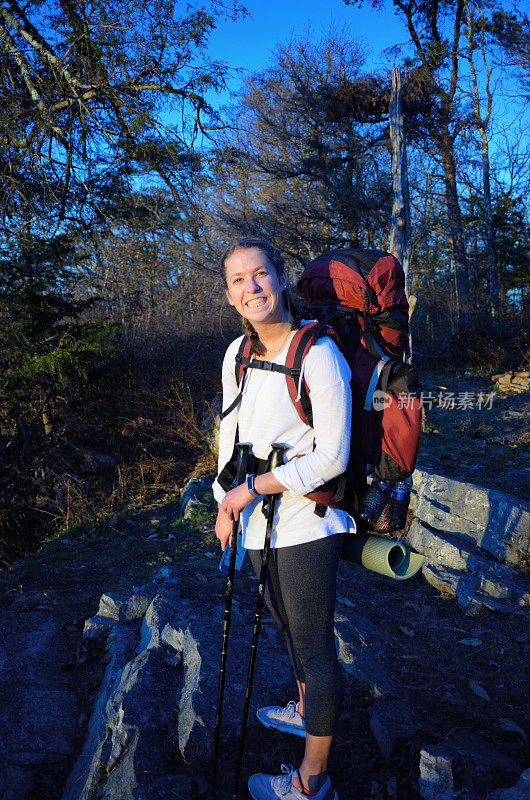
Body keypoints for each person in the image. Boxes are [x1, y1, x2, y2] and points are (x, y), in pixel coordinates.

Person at [212, 237, 355, 800]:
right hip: (253, 519)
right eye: (239, 281)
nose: (252, 287)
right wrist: (225, 499)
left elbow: (331, 456)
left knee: (316, 648)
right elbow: (231, 433)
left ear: (280, 277)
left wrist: (253, 488)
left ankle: (312, 781)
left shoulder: (319, 354)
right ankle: (303, 710)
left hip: (306, 522)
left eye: (261, 274)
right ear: (229, 296)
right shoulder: (236, 353)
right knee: (286, 629)